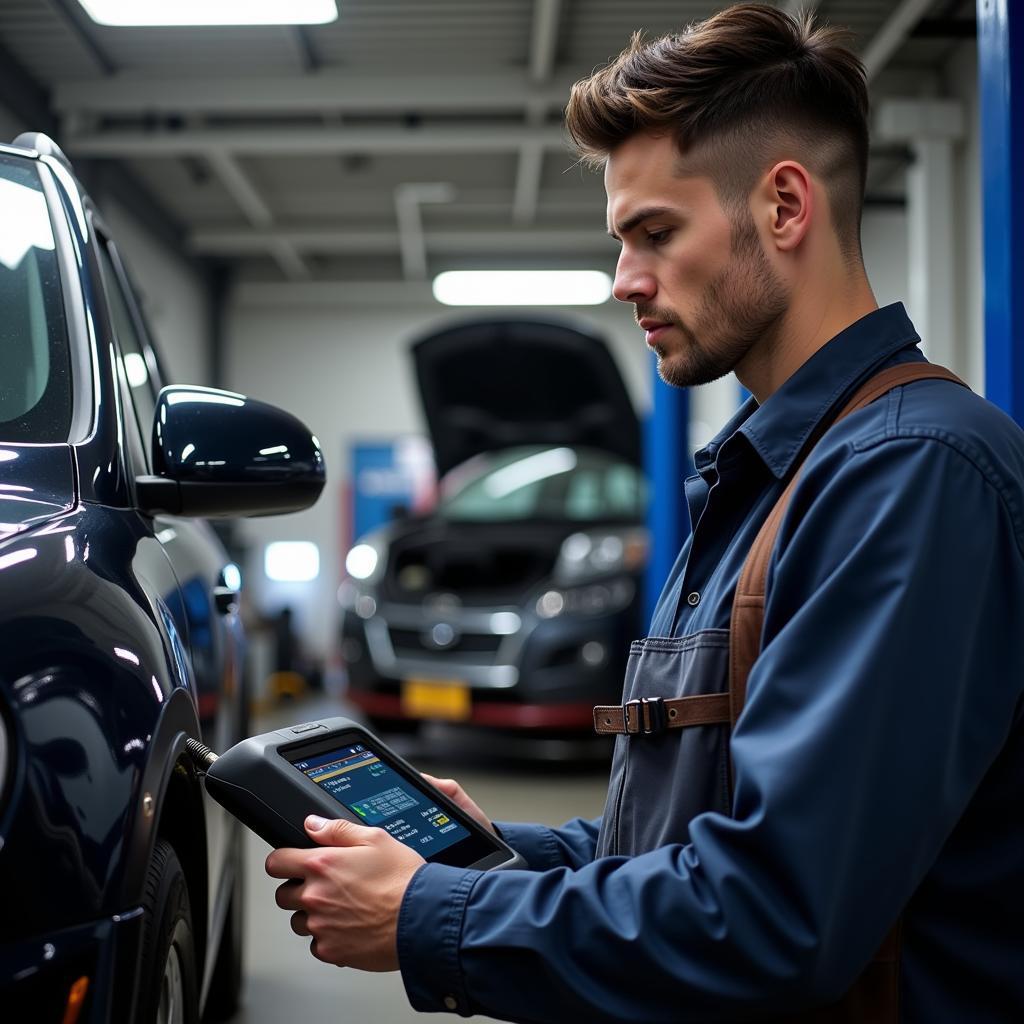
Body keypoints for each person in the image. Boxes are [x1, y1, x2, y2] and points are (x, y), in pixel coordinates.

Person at [266, 5, 1024, 1021]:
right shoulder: (764, 479)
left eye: (654, 233)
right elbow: (693, 838)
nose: (625, 279)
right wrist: (496, 856)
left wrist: (430, 915)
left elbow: (771, 915)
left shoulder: (909, 477)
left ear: (783, 206)